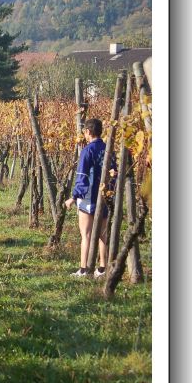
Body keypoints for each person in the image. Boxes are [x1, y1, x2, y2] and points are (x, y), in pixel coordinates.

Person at [65, 118, 112, 278]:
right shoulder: (108, 149)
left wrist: (74, 197)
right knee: (103, 235)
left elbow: (82, 176)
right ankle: (102, 269)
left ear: (88, 131)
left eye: (84, 132)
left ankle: (84, 269)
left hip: (88, 197)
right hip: (105, 196)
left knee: (86, 234)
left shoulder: (87, 151)